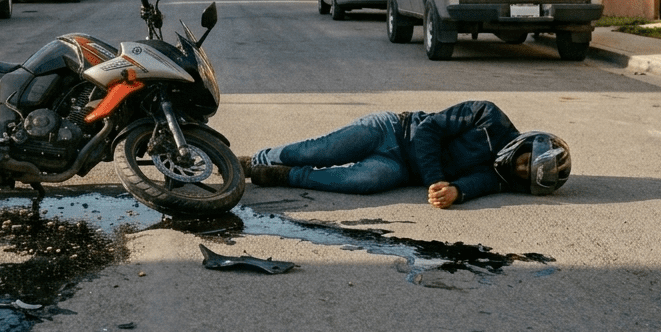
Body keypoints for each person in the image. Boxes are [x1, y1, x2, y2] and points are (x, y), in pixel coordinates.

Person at [239, 100, 570, 207]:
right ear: (528, 142)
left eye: (526, 176)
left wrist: (455, 191)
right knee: (319, 150)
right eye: (527, 162)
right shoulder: (488, 116)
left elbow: (480, 183)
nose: (520, 170)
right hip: (393, 129)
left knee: (362, 181)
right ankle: (258, 158)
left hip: (399, 169)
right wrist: (438, 179)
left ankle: (280, 175)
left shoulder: (502, 177)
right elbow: (429, 131)